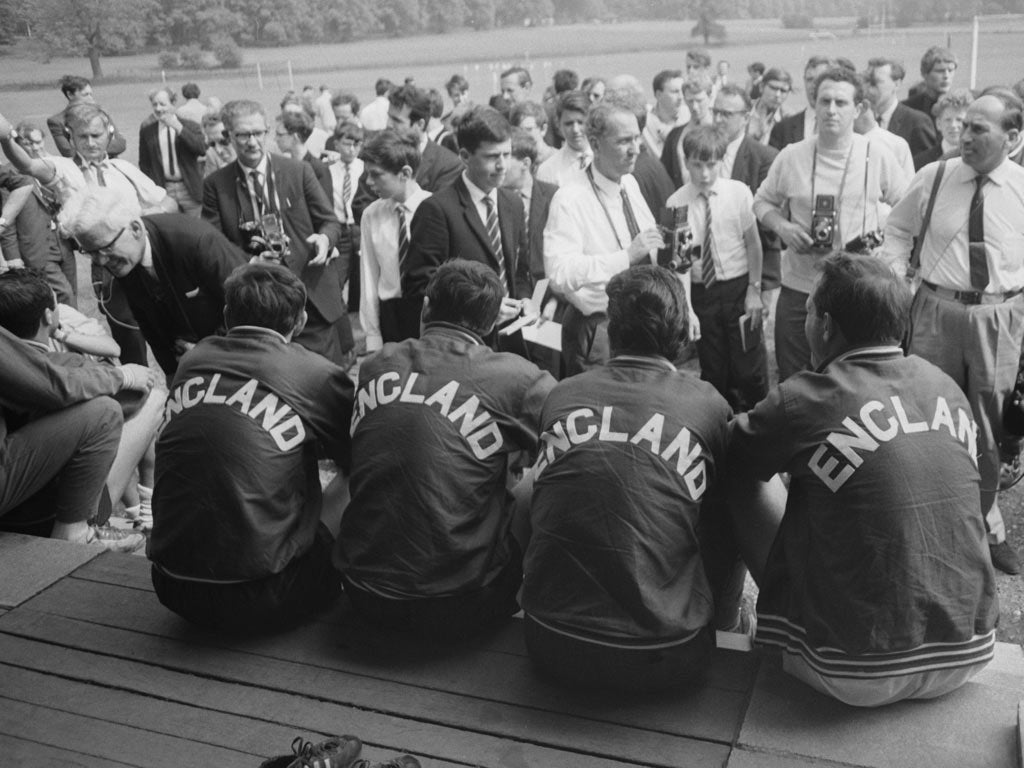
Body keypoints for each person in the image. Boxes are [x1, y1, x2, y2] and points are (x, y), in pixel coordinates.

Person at [729, 252, 998, 706]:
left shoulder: (805, 398)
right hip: (970, 651)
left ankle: (730, 624)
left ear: (827, 325)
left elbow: (731, 448)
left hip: (852, 672)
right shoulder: (945, 385)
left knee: (738, 469)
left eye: (810, 309)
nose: (805, 319)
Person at [522, 264, 733, 691]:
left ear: (610, 330)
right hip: (668, 655)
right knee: (734, 497)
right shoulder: (707, 404)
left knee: (537, 485)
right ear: (680, 333)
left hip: (549, 641)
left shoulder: (564, 393)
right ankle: (729, 627)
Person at [336, 260, 555, 640]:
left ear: (425, 308)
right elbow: (570, 428)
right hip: (465, 606)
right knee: (540, 470)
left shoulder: (376, 363)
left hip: (363, 596)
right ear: (489, 326)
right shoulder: (517, 376)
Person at [149, 263, 353, 632]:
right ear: (302, 320)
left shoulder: (193, 360)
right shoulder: (316, 373)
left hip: (170, 585)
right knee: (360, 470)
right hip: (270, 595)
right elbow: (356, 455)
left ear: (227, 315)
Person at [882, 91, 1024, 575]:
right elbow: (897, 229)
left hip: (999, 318)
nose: (964, 136)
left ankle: (985, 523)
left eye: (979, 129)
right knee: (924, 414)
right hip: (935, 310)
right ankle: (926, 525)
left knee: (987, 423)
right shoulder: (935, 176)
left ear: (1013, 137)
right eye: (964, 125)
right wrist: (898, 272)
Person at [754, 68, 908, 381]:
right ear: (814, 103)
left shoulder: (876, 155)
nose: (831, 110)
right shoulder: (792, 156)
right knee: (795, 376)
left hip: (856, 292)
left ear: (860, 108)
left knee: (853, 379)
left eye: (841, 102)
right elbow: (761, 202)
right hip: (800, 288)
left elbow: (907, 212)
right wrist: (783, 227)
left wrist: (887, 254)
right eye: (824, 101)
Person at [0, 104, 175, 367]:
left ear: (109, 134)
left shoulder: (122, 169)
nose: (91, 143)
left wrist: (153, 215)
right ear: (71, 138)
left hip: (143, 258)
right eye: (83, 137)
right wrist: (5, 138)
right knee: (128, 336)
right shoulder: (63, 170)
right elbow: (27, 165)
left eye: (97, 135)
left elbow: (167, 200)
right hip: (109, 267)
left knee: (167, 328)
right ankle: (138, 390)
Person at [0, 269, 163, 543]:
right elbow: (127, 395)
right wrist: (122, 376)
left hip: (21, 496)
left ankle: (141, 511)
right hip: (48, 507)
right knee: (135, 404)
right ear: (49, 316)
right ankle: (115, 521)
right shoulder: (64, 367)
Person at [202, 99, 352, 367]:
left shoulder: (298, 170)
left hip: (311, 298)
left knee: (328, 378)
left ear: (267, 131)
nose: (252, 142)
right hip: (260, 306)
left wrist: (324, 239)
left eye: (258, 133)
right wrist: (248, 264)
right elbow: (212, 246)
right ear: (228, 136)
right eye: (243, 135)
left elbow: (329, 221)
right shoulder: (216, 185)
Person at [58, 185, 248, 378]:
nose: (100, 261)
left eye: (104, 248)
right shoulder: (124, 258)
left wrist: (206, 352)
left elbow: (251, 309)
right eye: (89, 253)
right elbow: (151, 327)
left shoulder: (197, 242)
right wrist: (172, 374)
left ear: (135, 229)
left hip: (239, 357)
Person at [544, 101, 674, 375]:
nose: (636, 149)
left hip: (643, 324)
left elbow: (647, 243)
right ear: (595, 144)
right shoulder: (569, 199)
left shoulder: (629, 182)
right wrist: (624, 257)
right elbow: (558, 274)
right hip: (600, 330)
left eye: (638, 138)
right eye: (624, 141)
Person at [667, 126, 768, 412]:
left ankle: (759, 420)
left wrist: (754, 290)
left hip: (739, 287)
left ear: (722, 161)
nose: (705, 174)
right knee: (714, 369)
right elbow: (682, 262)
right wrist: (687, 307)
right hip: (703, 291)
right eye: (697, 165)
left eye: (711, 165)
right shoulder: (678, 203)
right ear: (686, 162)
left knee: (749, 366)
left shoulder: (738, 194)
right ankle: (720, 425)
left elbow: (753, 245)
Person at [403, 106, 531, 308]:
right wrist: (484, 309)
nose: (502, 165)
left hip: (511, 333)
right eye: (492, 157)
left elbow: (519, 271)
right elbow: (420, 287)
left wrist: (526, 300)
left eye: (507, 154)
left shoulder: (513, 204)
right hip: (464, 335)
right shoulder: (436, 210)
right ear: (464, 156)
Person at [358, 130, 429, 352]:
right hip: (392, 316)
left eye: (376, 174)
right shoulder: (372, 214)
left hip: (428, 315)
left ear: (405, 173)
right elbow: (369, 275)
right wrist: (373, 336)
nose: (368, 182)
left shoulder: (435, 209)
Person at [709, 85, 781, 297]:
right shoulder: (705, 154)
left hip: (755, 274)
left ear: (746, 117)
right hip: (712, 272)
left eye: (727, 114)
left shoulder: (765, 158)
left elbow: (767, 225)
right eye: (715, 112)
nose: (718, 119)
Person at [139, 87, 207, 216]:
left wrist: (179, 128)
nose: (158, 109)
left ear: (173, 103)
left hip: (189, 189)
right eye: (155, 104)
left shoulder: (190, 126)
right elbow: (144, 164)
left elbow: (201, 149)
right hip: (164, 191)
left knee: (196, 228)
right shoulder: (147, 131)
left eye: (163, 104)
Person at [502, 128, 557, 284]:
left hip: (553, 292)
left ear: (525, 163)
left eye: (506, 157)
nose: (499, 165)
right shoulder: (495, 200)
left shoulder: (554, 196)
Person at [386, 84, 463, 193]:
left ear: (420, 124)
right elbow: (361, 203)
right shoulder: (378, 154)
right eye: (388, 117)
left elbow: (440, 208)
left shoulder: (447, 166)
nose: (388, 124)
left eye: (397, 121)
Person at [866, 58, 938, 158]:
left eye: (877, 82)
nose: (870, 88)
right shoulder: (862, 120)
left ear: (897, 84)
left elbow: (924, 165)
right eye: (867, 82)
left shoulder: (916, 122)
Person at [47, 74, 127, 159]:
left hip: (109, 165)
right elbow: (69, 152)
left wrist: (87, 149)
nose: (91, 99)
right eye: (85, 95)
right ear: (70, 95)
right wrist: (101, 146)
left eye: (91, 94)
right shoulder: (57, 121)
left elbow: (120, 144)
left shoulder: (102, 113)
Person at [769, 56, 834, 151]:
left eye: (819, 80)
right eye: (809, 80)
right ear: (804, 80)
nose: (813, 85)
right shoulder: (783, 128)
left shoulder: (843, 124)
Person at [536, 91, 592, 186]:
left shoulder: (608, 160)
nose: (575, 130)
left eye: (580, 122)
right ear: (558, 124)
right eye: (569, 123)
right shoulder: (547, 170)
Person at [275, 111, 332, 198]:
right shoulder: (284, 167)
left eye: (280, 135)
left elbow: (325, 207)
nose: (276, 139)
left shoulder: (318, 169)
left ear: (295, 137)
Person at [913, 88, 973, 169]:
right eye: (947, 120)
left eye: (959, 120)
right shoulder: (921, 162)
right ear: (938, 124)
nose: (953, 125)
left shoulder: (977, 160)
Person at [902, 46, 958, 120]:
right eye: (940, 71)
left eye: (950, 70)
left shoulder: (960, 107)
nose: (946, 76)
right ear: (925, 74)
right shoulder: (908, 108)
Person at [643, 69, 688, 159]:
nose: (681, 97)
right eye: (675, 92)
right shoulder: (645, 124)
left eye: (682, 91)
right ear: (658, 95)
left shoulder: (688, 115)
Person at [747, 67, 792, 145]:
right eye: (773, 88)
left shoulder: (789, 120)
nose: (778, 95)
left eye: (783, 91)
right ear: (761, 87)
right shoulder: (744, 110)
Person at [201, 109, 236, 176]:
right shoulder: (210, 154)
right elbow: (210, 182)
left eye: (223, 142)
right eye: (212, 144)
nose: (218, 149)